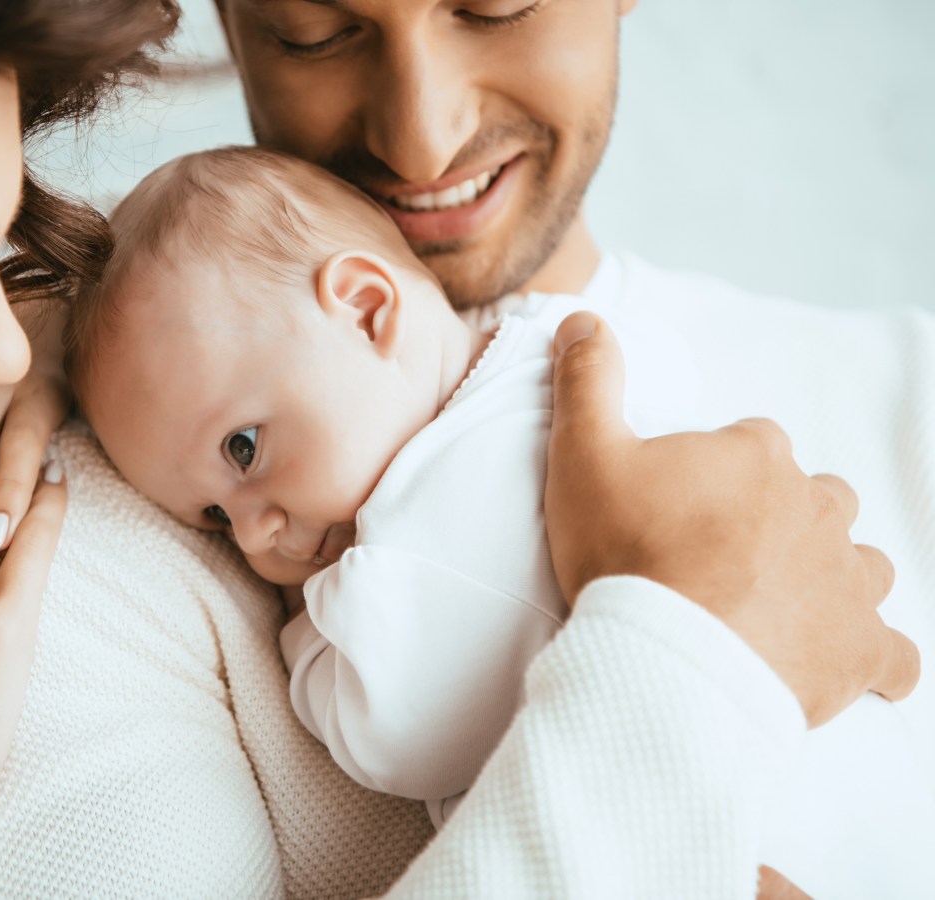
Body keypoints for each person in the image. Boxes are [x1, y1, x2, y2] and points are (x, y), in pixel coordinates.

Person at [0, 1, 921, 899]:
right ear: (232, 22)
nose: (423, 134)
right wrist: (688, 665)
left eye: (495, 2)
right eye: (313, 31)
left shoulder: (901, 389)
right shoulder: (36, 508)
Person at [70, 145, 935, 896]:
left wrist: (306, 641)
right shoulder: (564, 342)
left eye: (246, 450)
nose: (254, 534)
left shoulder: (393, 562)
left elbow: (395, 741)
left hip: (735, 836)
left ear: (370, 310)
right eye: (215, 518)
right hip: (876, 799)